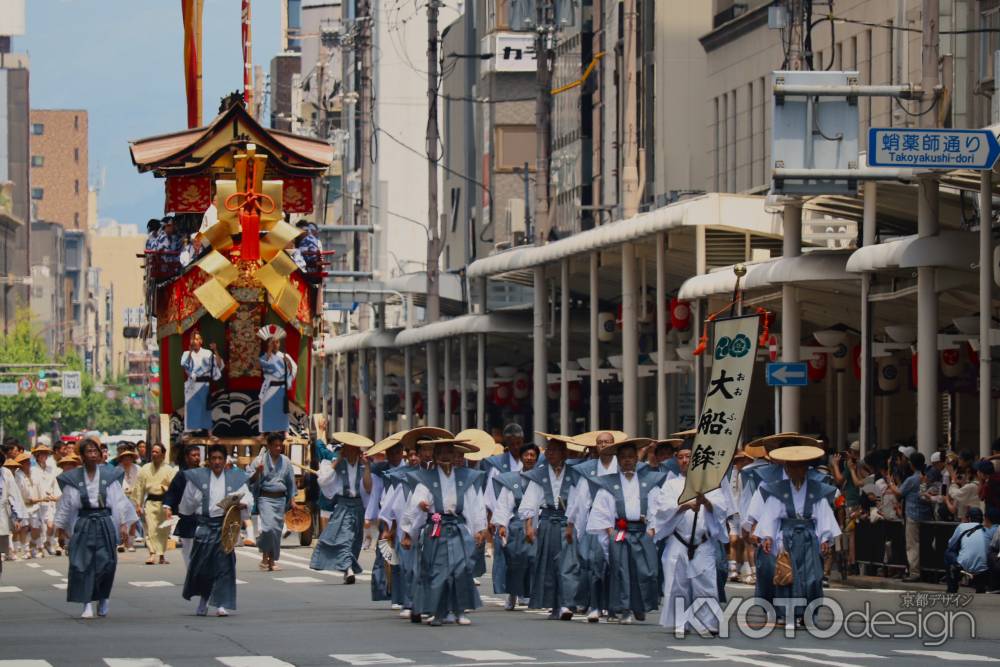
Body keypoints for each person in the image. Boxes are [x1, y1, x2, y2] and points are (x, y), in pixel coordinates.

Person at [400, 438, 487, 626]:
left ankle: (459, 610)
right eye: (441, 453)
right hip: (436, 528)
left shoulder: (465, 478)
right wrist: (409, 531)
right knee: (438, 571)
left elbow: (474, 505)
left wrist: (479, 528)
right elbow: (415, 503)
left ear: (455, 455)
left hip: (458, 527)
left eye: (449, 452)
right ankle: (438, 611)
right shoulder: (426, 479)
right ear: (435, 456)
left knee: (462, 569)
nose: (445, 456)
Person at [755, 445, 840, 629]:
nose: (796, 470)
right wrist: (768, 537)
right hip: (787, 537)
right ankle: (788, 614)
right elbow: (770, 515)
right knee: (787, 576)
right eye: (792, 466)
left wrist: (825, 538)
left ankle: (809, 613)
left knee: (813, 578)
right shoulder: (778, 490)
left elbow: (824, 514)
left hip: (809, 536)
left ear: (806, 467)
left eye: (800, 466)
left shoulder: (817, 489)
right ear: (787, 468)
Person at [653, 441, 731, 637]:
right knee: (678, 583)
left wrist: (706, 502)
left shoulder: (710, 484)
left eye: (689, 457)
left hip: (702, 540)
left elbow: (722, 508)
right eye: (680, 457)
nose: (685, 461)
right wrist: (685, 506)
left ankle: (708, 621)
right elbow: (663, 509)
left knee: (705, 582)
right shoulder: (671, 484)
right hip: (678, 539)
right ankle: (681, 621)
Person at [54, 439, 138, 618]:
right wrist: (61, 529)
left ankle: (103, 597)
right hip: (83, 523)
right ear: (82, 456)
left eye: (95, 451)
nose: (93, 455)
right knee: (81, 564)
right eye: (89, 451)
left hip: (104, 521)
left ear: (100, 455)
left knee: (106, 564)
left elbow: (119, 502)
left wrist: (123, 524)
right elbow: (66, 505)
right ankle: (86, 604)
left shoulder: (109, 476)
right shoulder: (74, 479)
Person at [585, 438, 665, 624]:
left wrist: (652, 530)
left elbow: (657, 508)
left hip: (642, 531)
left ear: (637, 458)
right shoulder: (609, 483)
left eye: (631, 456)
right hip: (620, 531)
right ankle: (625, 609)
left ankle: (640, 605)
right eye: (623, 457)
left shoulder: (648, 481)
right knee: (621, 571)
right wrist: (609, 531)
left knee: (646, 571)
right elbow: (601, 510)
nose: (627, 460)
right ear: (618, 460)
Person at [167, 444, 251, 617]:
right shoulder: (198, 478)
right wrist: (185, 512)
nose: (217, 462)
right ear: (208, 460)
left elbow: (247, 496)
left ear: (225, 460)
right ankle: (204, 599)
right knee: (203, 567)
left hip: (225, 526)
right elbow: (188, 503)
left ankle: (221, 603)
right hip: (205, 525)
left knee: (225, 566)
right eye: (213, 458)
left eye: (220, 458)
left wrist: (244, 504)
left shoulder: (235, 478)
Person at [520, 433, 580, 621]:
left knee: (568, 563)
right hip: (547, 521)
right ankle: (554, 605)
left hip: (567, 521)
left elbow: (577, 501)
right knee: (548, 565)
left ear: (564, 453)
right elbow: (530, 500)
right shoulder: (540, 474)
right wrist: (529, 526)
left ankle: (566, 603)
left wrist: (572, 523)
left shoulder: (574, 473)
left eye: (555, 450)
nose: (551, 454)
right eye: (549, 450)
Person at [567, 431, 620, 621]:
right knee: (595, 565)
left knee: (617, 564)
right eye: (600, 442)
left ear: (614, 444)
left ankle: (615, 606)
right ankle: (595, 605)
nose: (604, 445)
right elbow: (580, 500)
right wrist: (575, 525)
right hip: (595, 523)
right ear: (596, 446)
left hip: (619, 524)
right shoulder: (588, 470)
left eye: (607, 442)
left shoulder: (621, 467)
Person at [311, 432, 374, 583]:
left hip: (358, 506)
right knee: (344, 538)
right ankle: (348, 569)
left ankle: (347, 568)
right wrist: (338, 460)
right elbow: (323, 481)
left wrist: (367, 467)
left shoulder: (363, 466)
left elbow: (368, 487)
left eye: (354, 449)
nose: (351, 452)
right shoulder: (338, 464)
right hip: (343, 504)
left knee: (355, 540)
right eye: (348, 449)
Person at [491, 441, 540, 610]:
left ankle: (528, 594)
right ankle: (512, 594)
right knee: (515, 561)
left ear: (537, 458)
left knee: (533, 560)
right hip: (516, 525)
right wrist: (501, 525)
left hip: (536, 523)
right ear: (521, 457)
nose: (529, 458)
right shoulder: (512, 479)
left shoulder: (541, 478)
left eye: (532, 455)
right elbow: (504, 503)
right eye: (526, 455)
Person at [248, 433, 295, 571]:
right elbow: (250, 480)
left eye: (280, 445)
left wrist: (292, 501)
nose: (278, 448)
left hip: (280, 499)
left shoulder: (286, 461)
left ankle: (271, 560)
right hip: (265, 498)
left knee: (276, 530)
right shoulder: (260, 460)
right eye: (275, 445)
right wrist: (258, 471)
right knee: (268, 528)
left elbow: (291, 483)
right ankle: (264, 556)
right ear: (269, 446)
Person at [887, 452, 932, 582]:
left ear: (911, 464)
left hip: (913, 514)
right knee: (924, 544)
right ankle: (926, 571)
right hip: (926, 514)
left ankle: (914, 572)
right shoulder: (925, 477)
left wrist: (891, 483)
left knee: (912, 545)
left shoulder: (912, 479)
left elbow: (899, 493)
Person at [134, 443, 176, 565]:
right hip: (150, 502)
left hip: (164, 503)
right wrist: (138, 504)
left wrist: (170, 502)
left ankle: (161, 555)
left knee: (163, 530)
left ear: (163, 454)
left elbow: (173, 488)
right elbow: (139, 487)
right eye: (152, 452)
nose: (154, 454)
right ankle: (152, 554)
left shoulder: (169, 470)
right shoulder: (145, 469)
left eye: (157, 452)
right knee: (150, 529)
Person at [163, 444, 203, 566]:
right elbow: (172, 492)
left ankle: (199, 569)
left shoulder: (204, 473)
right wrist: (167, 507)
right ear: (186, 457)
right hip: (186, 515)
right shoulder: (181, 475)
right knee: (188, 545)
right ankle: (190, 570)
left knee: (201, 544)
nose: (196, 458)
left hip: (202, 514)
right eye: (193, 455)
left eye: (198, 455)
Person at [944, 506, 998, 594]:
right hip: (984, 568)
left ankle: (952, 588)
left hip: (964, 565)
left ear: (968, 518)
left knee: (948, 553)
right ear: (982, 519)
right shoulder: (987, 530)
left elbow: (951, 544)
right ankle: (981, 587)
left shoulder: (962, 526)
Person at [180, 332, 224, 433]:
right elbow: (184, 365)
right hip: (192, 384)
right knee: (191, 408)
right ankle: (189, 433)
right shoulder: (186, 353)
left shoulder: (207, 353)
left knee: (206, 409)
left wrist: (215, 350)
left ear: (201, 341)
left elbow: (219, 365)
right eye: (192, 339)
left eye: (196, 339)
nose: (194, 341)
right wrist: (190, 352)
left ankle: (209, 433)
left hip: (204, 383)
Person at [257, 326, 297, 434]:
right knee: (266, 408)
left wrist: (288, 380)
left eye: (277, 342)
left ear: (279, 344)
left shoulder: (285, 356)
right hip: (269, 386)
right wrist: (269, 351)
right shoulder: (265, 356)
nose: (275, 344)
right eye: (272, 342)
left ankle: (285, 432)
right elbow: (262, 365)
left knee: (281, 411)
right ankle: (264, 432)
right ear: (269, 343)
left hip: (281, 387)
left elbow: (293, 369)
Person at [30, 444, 60, 557]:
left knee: (51, 525)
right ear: (37, 456)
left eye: (45, 454)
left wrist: (56, 496)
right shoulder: (33, 470)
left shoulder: (51, 469)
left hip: (50, 501)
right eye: (41, 454)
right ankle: (38, 546)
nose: (44, 456)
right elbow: (32, 486)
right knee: (38, 527)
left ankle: (48, 542)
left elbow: (55, 484)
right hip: (38, 501)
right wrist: (36, 498)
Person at [0, 454, 26, 563]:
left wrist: (17, 517)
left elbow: (14, 495)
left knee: (1, 548)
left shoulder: (6, 473)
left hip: (1, 512)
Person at [114, 447, 140, 553]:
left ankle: (130, 543)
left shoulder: (138, 469)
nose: (127, 460)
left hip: (134, 496)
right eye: (125, 458)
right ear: (121, 459)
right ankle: (121, 542)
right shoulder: (117, 469)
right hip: (121, 497)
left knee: (133, 520)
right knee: (121, 520)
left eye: (129, 458)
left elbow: (140, 484)